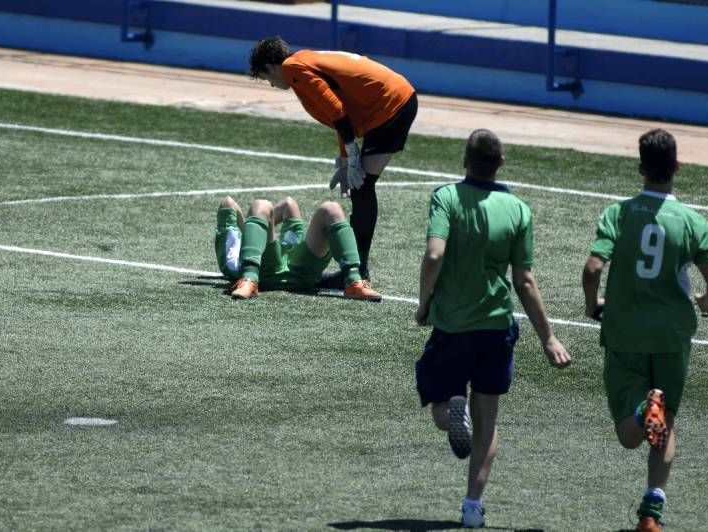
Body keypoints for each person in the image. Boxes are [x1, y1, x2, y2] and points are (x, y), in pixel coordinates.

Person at [414, 129, 571, 528]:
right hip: (497, 326)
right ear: (502, 162)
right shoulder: (518, 209)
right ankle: (472, 507)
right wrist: (548, 337)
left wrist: (423, 303)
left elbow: (434, 254)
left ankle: (452, 411)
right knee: (489, 418)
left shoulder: (447, 197)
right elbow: (525, 282)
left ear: (464, 160)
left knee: (440, 409)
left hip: (452, 325)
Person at [582, 129, 708, 532]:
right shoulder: (692, 221)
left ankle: (645, 410)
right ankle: (652, 512)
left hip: (625, 333)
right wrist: (704, 303)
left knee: (630, 433)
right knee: (668, 424)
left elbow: (593, 268)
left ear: (642, 167)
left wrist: (593, 306)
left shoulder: (618, 213)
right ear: (677, 167)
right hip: (671, 337)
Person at [248, 36, 418, 288]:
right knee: (362, 187)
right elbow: (339, 113)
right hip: (399, 99)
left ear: (272, 67)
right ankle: (357, 270)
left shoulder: (292, 68)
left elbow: (336, 109)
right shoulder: (303, 62)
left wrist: (351, 152)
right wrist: (345, 160)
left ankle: (357, 272)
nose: (272, 85)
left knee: (362, 188)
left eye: (266, 78)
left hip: (389, 105)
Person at [215, 194, 381, 301]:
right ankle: (249, 279)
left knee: (331, 208)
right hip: (263, 272)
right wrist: (256, 225)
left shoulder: (246, 240)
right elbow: (227, 203)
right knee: (261, 204)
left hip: (299, 270)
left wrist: (256, 226)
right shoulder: (231, 258)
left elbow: (288, 204)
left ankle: (354, 282)